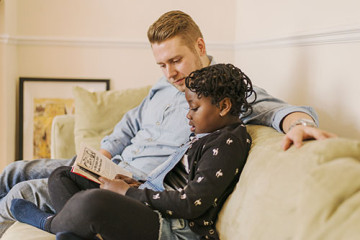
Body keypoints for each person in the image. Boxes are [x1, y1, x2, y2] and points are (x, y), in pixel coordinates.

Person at [0, 10, 336, 235]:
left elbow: (281, 111)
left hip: (140, 183)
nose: (170, 72)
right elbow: (131, 124)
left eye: (176, 60)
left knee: (21, 192)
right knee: (16, 170)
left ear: (199, 46)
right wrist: (100, 155)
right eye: (162, 64)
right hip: (111, 165)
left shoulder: (221, 95)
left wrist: (299, 125)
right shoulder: (163, 85)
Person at [11, 63, 256, 240]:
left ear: (224, 106)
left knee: (93, 202)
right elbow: (171, 182)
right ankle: (75, 232)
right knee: (64, 175)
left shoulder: (228, 143)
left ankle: (51, 223)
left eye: (194, 107)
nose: (188, 114)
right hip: (153, 202)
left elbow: (191, 203)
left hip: (175, 227)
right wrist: (137, 185)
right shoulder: (208, 134)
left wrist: (128, 193)